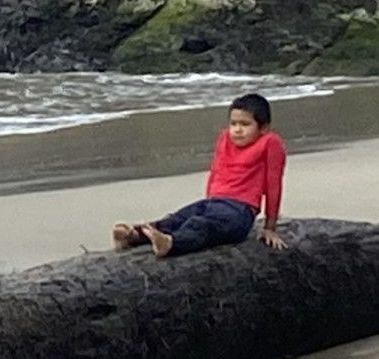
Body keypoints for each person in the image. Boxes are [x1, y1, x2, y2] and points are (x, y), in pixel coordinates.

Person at [112, 94, 287, 257]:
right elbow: (215, 171)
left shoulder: (270, 142)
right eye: (233, 124)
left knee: (202, 225)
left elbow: (273, 185)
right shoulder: (225, 138)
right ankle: (134, 235)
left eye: (245, 124)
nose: (237, 130)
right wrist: (209, 201)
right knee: (178, 219)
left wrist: (269, 227)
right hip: (213, 202)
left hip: (240, 211)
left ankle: (171, 244)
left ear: (263, 127)